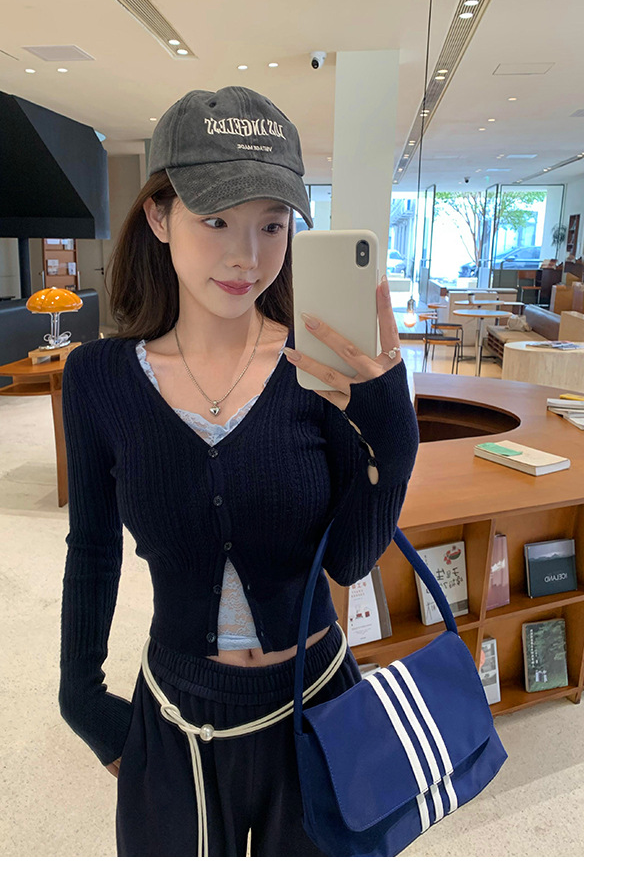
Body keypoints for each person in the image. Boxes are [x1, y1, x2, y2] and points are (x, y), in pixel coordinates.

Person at [58, 86, 419, 857]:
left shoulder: (318, 371)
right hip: (177, 720)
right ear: (159, 216)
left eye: (272, 223)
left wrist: (393, 429)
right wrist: (79, 694)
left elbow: (351, 559)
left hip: (319, 709)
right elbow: (92, 547)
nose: (246, 255)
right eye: (216, 219)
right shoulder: (97, 379)